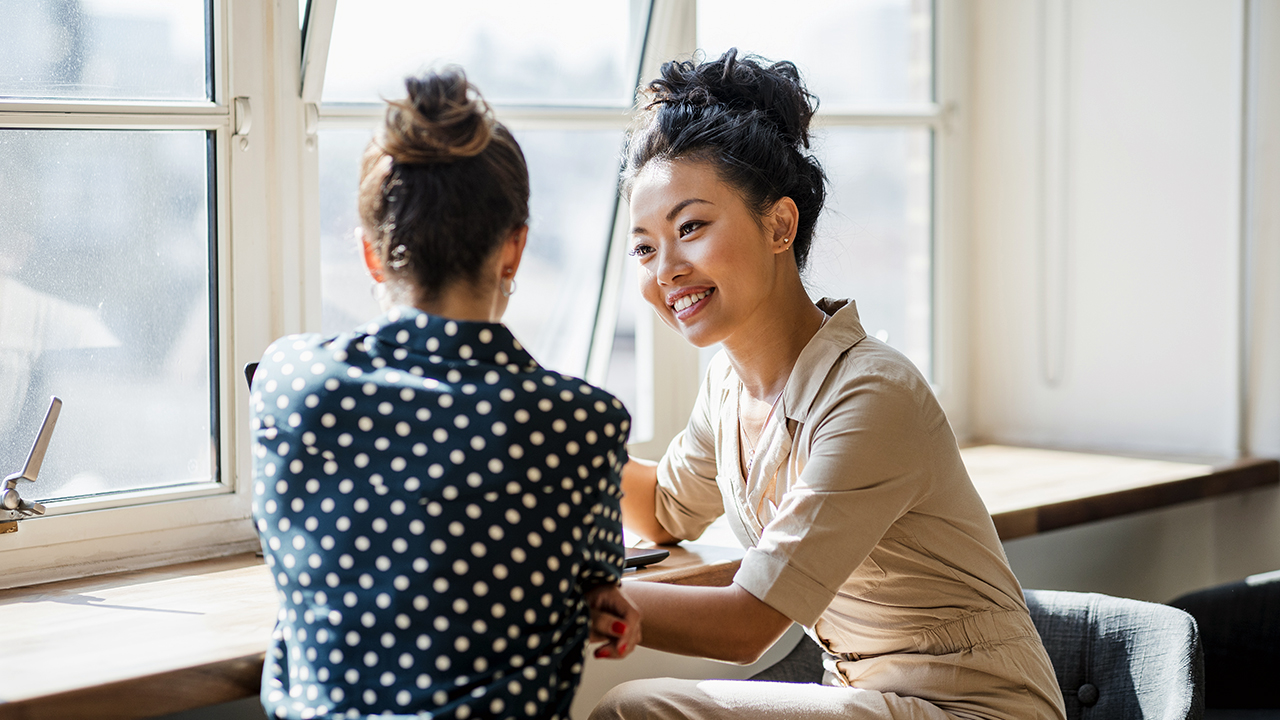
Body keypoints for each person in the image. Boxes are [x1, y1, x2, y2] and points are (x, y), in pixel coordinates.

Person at [592, 49, 1067, 720]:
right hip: (869, 700)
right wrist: (539, 427)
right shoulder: (729, 390)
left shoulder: (871, 395)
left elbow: (745, 626)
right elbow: (666, 506)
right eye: (644, 247)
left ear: (779, 224)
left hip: (977, 711)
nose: (665, 269)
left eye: (691, 227)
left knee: (635, 709)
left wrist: (560, 595)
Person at [250, 68, 640, 720]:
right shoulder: (581, 423)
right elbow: (596, 579)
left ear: (373, 256)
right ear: (512, 250)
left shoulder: (289, 379)